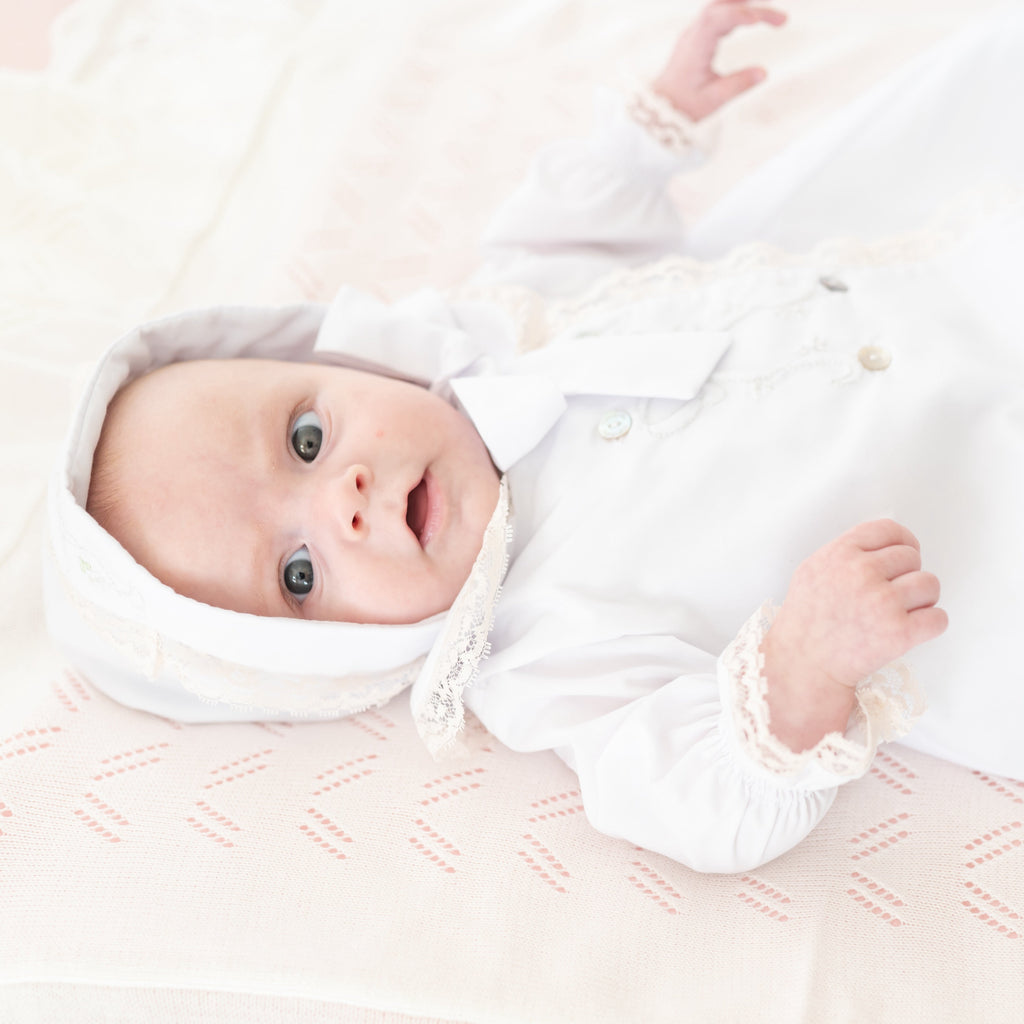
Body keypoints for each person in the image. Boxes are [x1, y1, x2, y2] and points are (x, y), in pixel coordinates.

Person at [44, 1, 1024, 873]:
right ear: (332, 664)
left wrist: (650, 131)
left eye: (305, 436)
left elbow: (568, 238)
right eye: (298, 574)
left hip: (947, 286)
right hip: (970, 501)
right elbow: (689, 796)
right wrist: (799, 669)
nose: (341, 495)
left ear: (331, 361)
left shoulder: (503, 336)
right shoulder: (547, 649)